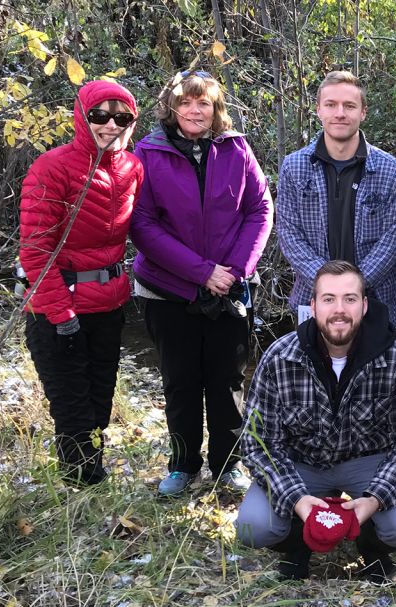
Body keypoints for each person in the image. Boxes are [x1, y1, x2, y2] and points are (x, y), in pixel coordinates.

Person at [235, 261, 396, 583]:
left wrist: (376, 497)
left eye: (350, 299)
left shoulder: (394, 357)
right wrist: (296, 499)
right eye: (328, 299)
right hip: (301, 465)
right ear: (312, 305)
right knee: (253, 527)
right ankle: (298, 544)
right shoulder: (280, 357)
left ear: (364, 305)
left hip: (366, 465)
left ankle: (370, 542)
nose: (339, 310)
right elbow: (257, 441)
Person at [131, 70, 274, 497]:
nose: (196, 110)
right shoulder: (148, 152)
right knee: (180, 380)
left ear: (216, 110)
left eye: (205, 103)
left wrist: (236, 270)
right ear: (172, 108)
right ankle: (183, 466)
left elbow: (259, 208)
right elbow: (141, 224)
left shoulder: (236, 149)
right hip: (166, 290)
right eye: (187, 102)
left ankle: (228, 466)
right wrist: (201, 272)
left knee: (227, 379)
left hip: (229, 287)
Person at [19, 80, 143, 487]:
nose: (111, 125)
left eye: (121, 117)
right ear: (83, 117)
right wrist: (61, 313)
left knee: (99, 403)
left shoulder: (132, 168)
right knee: (73, 409)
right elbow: (35, 251)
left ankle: (90, 478)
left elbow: (141, 230)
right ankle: (83, 490)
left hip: (108, 306)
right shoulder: (51, 167)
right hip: (57, 310)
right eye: (100, 115)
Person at [277, 70, 396, 324]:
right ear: (318, 110)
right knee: (314, 364)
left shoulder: (391, 171)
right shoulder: (294, 167)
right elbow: (288, 233)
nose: (340, 113)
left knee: (378, 365)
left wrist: (354, 286)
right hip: (312, 298)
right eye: (331, 105)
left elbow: (392, 239)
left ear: (363, 112)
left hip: (377, 300)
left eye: (349, 106)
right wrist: (326, 285)